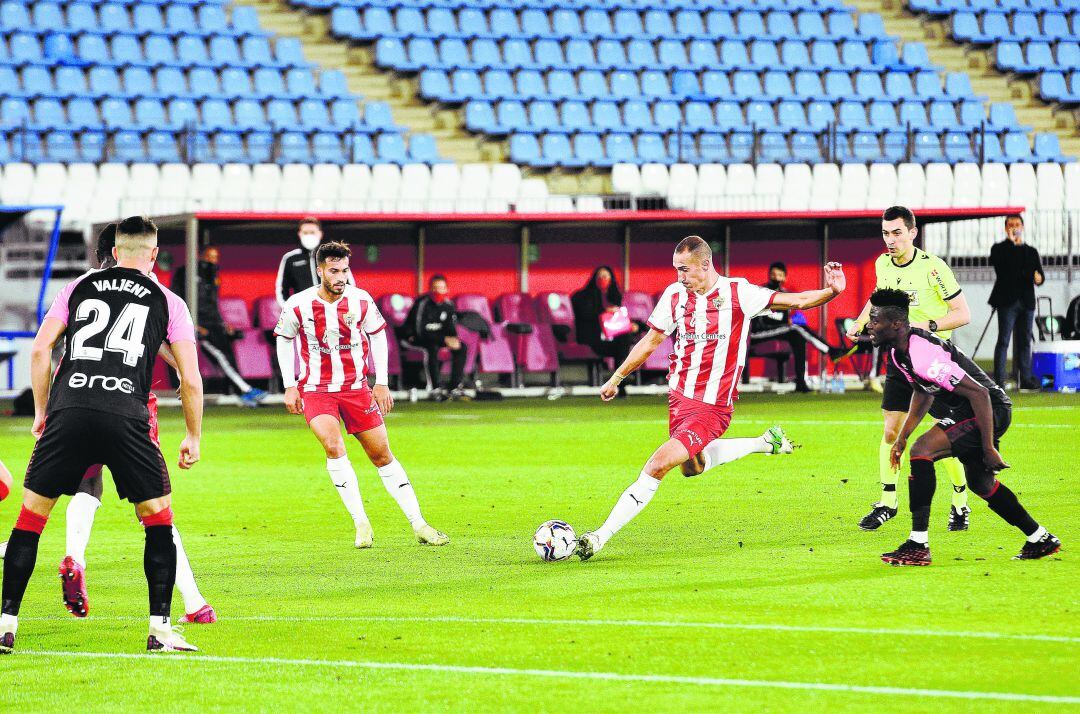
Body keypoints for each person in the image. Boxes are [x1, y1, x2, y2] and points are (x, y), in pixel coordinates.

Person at [1, 216, 204, 654]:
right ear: (153, 255)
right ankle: (161, 630)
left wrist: (41, 411)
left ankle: (6, 625)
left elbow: (40, 349)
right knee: (158, 522)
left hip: (68, 410)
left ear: (114, 252)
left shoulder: (78, 287)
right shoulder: (169, 300)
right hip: (127, 414)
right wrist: (193, 434)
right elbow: (190, 377)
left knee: (30, 521)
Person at [574, 236, 846, 561]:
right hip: (678, 401)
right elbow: (650, 341)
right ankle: (765, 442)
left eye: (685, 270)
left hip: (712, 407)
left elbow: (796, 301)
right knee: (692, 468)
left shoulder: (739, 293)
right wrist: (617, 378)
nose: (680, 278)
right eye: (677, 270)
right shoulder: (675, 296)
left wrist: (831, 292)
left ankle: (598, 537)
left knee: (658, 465)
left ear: (706, 265)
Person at [56, 224, 215, 624]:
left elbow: (54, 345)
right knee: (158, 511)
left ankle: (75, 556)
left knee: (86, 484)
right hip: (132, 405)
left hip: (76, 398)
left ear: (102, 254)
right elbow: (159, 337)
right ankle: (194, 603)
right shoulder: (153, 289)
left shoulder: (83, 287)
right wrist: (183, 370)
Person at [274, 241, 448, 549]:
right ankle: (361, 523)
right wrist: (290, 384)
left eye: (345, 270)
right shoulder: (298, 304)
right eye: (334, 271)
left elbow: (378, 335)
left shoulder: (360, 300)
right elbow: (284, 340)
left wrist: (381, 382)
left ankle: (419, 523)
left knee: (381, 454)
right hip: (316, 390)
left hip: (356, 388)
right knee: (333, 443)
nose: (341, 277)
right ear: (320, 271)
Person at [866, 288, 1060, 564]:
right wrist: (902, 438)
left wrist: (988, 447)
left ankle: (918, 543)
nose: (869, 326)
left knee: (923, 451)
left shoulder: (923, 353)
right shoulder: (900, 354)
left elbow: (980, 393)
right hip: (970, 409)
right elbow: (923, 392)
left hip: (988, 408)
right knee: (981, 484)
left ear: (896, 323)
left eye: (875, 320)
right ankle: (1039, 537)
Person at [845, 206, 972, 532]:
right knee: (891, 430)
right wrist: (860, 322)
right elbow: (877, 300)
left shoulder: (934, 268)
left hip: (934, 361)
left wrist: (928, 324)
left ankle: (960, 500)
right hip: (900, 361)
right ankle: (888, 502)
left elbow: (962, 313)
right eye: (886, 233)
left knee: (940, 438)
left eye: (897, 232)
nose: (890, 239)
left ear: (912, 233)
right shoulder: (882, 263)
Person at [174, 246, 266, 407]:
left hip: (215, 324)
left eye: (215, 257)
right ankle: (246, 390)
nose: (212, 260)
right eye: (209, 256)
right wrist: (193, 324)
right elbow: (179, 300)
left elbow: (213, 304)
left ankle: (242, 394)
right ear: (199, 255)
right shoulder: (185, 273)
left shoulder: (213, 275)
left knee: (228, 358)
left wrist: (223, 323)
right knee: (220, 357)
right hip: (199, 326)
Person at [748, 261, 846, 392]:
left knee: (798, 337)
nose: (776, 278)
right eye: (773, 275)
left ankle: (801, 381)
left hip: (779, 330)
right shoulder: (762, 292)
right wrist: (785, 324)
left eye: (779, 275)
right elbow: (760, 322)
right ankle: (831, 351)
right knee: (795, 328)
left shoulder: (785, 294)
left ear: (784, 278)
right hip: (757, 332)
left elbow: (784, 318)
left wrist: (786, 323)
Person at [989, 214, 1044, 390]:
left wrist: (1038, 278)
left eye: (1017, 224)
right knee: (1004, 340)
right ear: (1006, 228)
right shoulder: (999, 249)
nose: (1014, 227)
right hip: (1007, 301)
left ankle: (1026, 379)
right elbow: (1005, 270)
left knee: (1025, 340)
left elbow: (1039, 275)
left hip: (1026, 301)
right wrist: (1012, 245)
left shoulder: (1031, 251)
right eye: (1011, 225)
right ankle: (1000, 379)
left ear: (1023, 227)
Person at [570, 266, 642, 392]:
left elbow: (620, 320)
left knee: (624, 340)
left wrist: (632, 325)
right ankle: (620, 380)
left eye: (606, 276)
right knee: (623, 345)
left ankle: (620, 380)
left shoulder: (615, 297)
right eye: (600, 277)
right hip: (594, 338)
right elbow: (584, 314)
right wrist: (603, 312)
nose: (603, 279)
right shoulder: (582, 296)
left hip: (614, 337)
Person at [402, 274, 467, 400]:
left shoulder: (448, 306)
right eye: (435, 288)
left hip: (438, 338)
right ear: (430, 289)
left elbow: (451, 329)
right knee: (432, 347)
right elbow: (419, 331)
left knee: (461, 347)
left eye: (441, 288)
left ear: (446, 289)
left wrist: (453, 339)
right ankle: (435, 388)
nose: (438, 291)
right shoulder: (422, 303)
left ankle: (454, 386)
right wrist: (443, 339)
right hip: (415, 339)